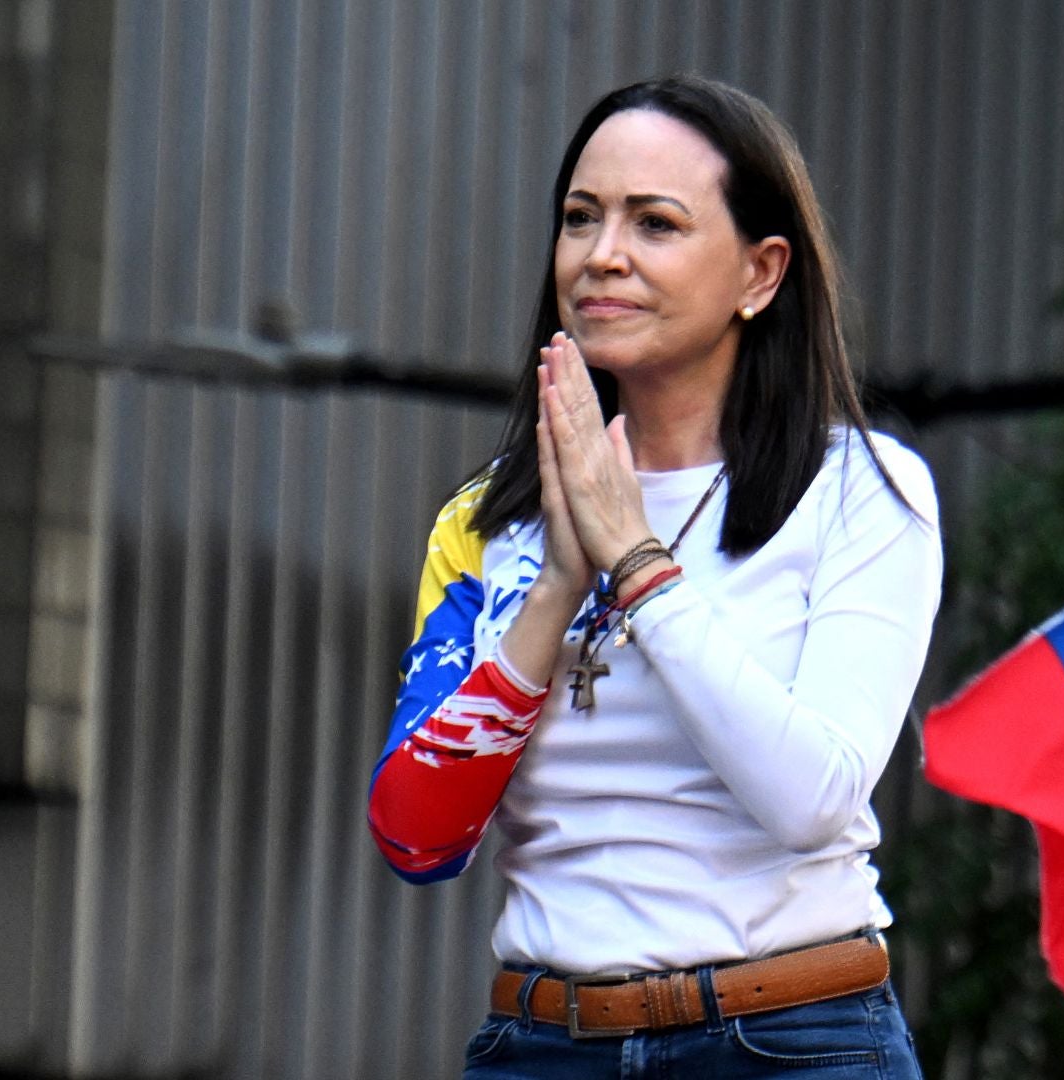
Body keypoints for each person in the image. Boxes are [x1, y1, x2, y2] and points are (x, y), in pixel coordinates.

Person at [366, 74, 942, 1078]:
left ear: (761, 275)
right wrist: (555, 589)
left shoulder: (862, 490)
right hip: (543, 1046)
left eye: (656, 223)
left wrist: (638, 565)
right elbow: (417, 837)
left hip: (792, 1043)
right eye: (579, 219)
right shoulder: (486, 522)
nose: (604, 256)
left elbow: (812, 797)